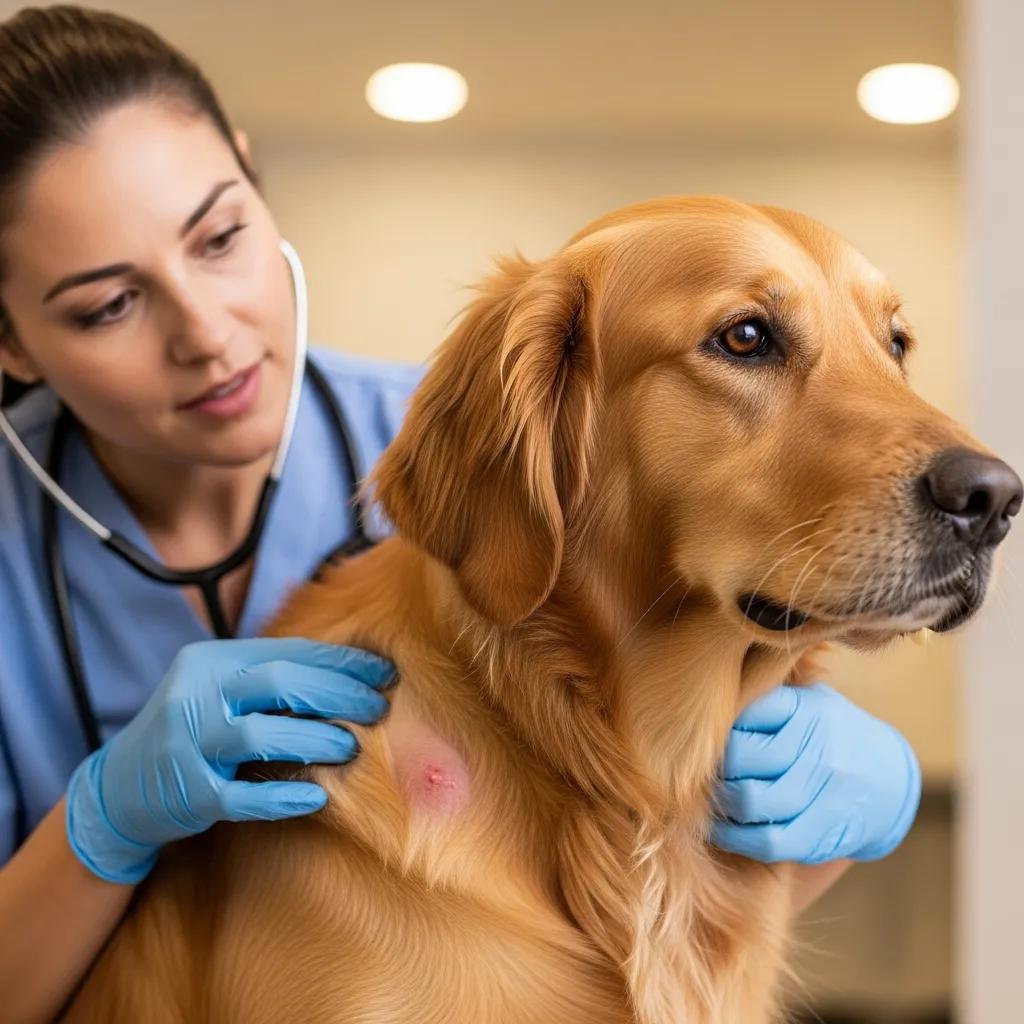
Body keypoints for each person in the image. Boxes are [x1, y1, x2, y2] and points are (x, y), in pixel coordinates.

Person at [0, 7, 921, 1023]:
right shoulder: (482, 442)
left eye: (220, 237)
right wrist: (101, 825)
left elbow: (640, 932)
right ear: (13, 342)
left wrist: (831, 812)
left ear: (256, 186)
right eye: (107, 305)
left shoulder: (517, 442)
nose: (208, 333)